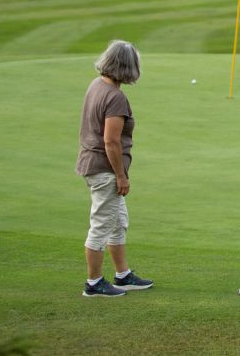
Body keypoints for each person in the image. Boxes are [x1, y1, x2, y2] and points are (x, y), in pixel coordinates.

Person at [76, 40, 153, 297]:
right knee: (101, 225)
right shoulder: (115, 97)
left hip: (93, 164)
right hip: (104, 169)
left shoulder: (97, 85)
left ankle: (122, 275)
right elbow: (111, 141)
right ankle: (94, 283)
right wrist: (121, 175)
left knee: (118, 222)